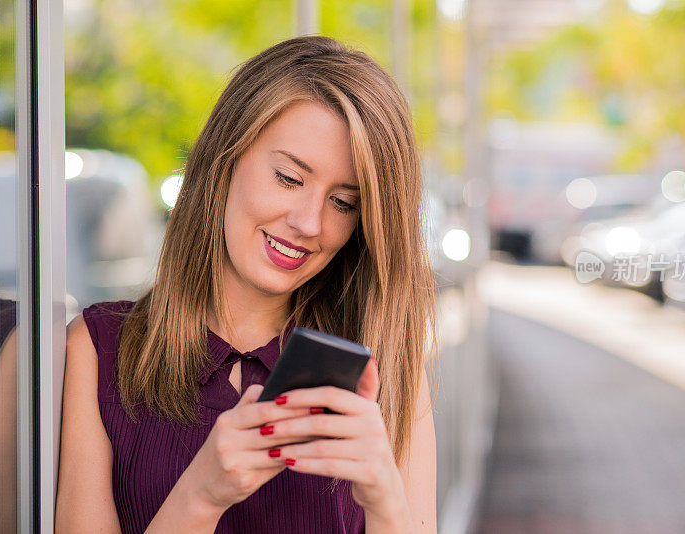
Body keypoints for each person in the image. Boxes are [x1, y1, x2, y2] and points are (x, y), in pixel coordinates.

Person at [55, 35, 438, 533]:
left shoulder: (384, 363)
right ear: (224, 159)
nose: (310, 223)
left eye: (344, 203)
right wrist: (200, 496)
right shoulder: (99, 350)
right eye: (288, 178)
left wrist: (385, 500)